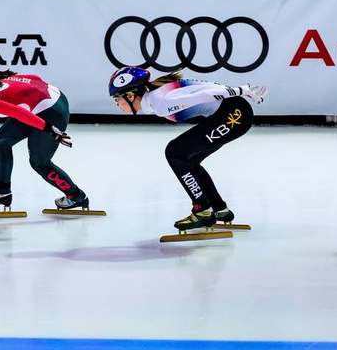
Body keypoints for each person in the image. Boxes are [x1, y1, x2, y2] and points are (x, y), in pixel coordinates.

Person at [108, 66, 266, 231]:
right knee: (187, 159)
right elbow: (203, 91)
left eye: (117, 99)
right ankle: (219, 208)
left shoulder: (160, 102)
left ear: (131, 95)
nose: (117, 104)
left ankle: (203, 210)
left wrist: (242, 90)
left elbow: (202, 95)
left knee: (175, 152)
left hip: (235, 115)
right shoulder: (155, 96)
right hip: (230, 112)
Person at [0, 51, 88, 211]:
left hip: (51, 109)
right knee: (1, 140)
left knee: (39, 162)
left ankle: (77, 196)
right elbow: (33, 78)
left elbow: (18, 113)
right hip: (46, 99)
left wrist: (49, 129)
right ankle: (2, 191)